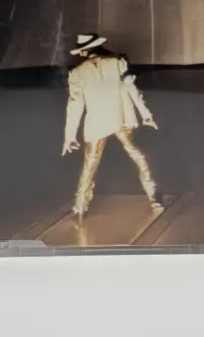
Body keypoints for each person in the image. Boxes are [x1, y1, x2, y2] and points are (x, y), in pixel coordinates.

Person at [62, 33, 162, 219]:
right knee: (137, 154)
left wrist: (70, 136)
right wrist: (145, 114)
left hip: (97, 122)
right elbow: (132, 89)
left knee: (90, 164)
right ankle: (154, 195)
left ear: (84, 51)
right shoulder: (117, 62)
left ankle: (80, 206)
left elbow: (75, 104)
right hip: (120, 117)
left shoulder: (77, 72)